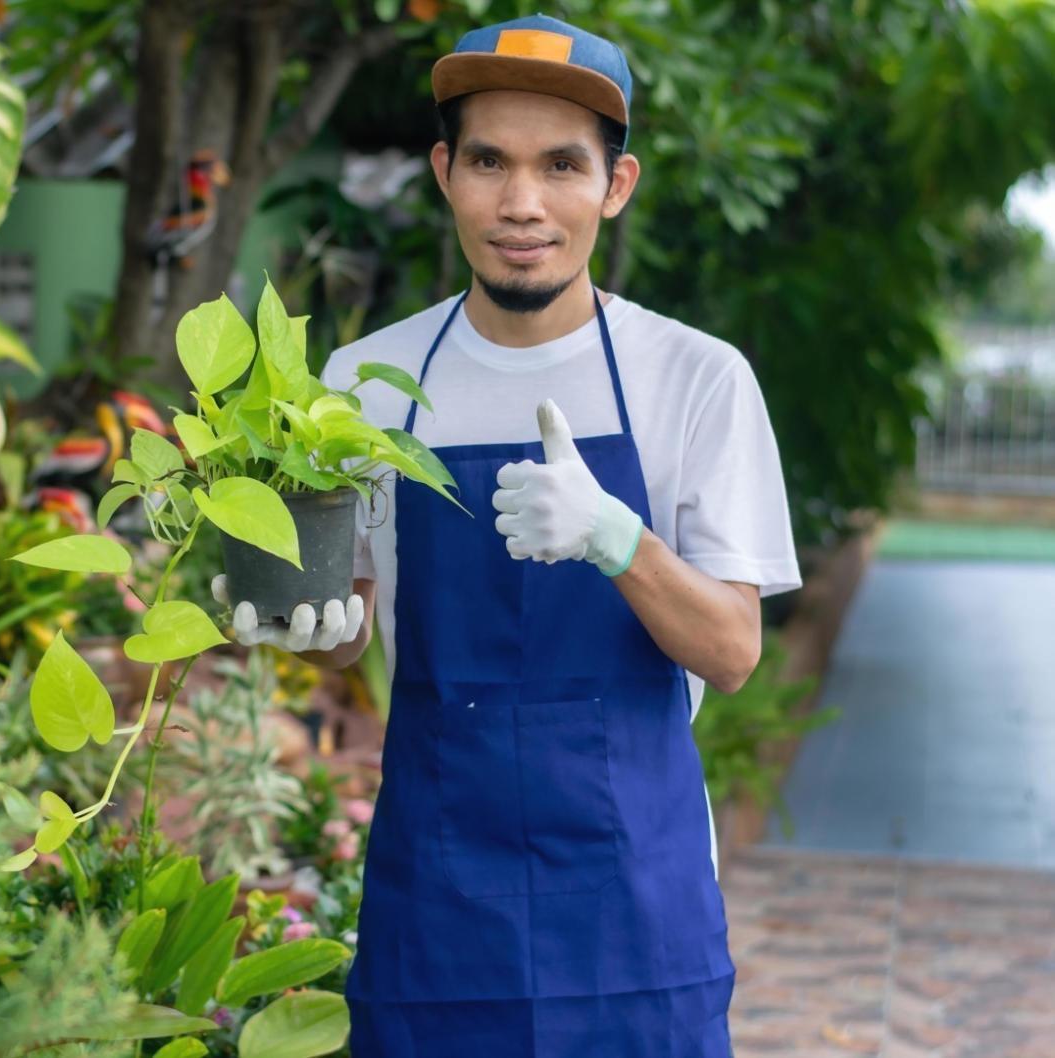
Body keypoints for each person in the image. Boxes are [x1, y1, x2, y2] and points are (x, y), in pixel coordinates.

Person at [210, 12, 801, 1056]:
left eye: (560, 165)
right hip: (438, 908)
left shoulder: (695, 378)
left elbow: (733, 650)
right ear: (445, 172)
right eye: (488, 160)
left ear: (613, 187)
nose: (520, 203)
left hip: (634, 914)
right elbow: (351, 629)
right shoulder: (362, 385)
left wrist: (619, 539)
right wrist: (295, 616)